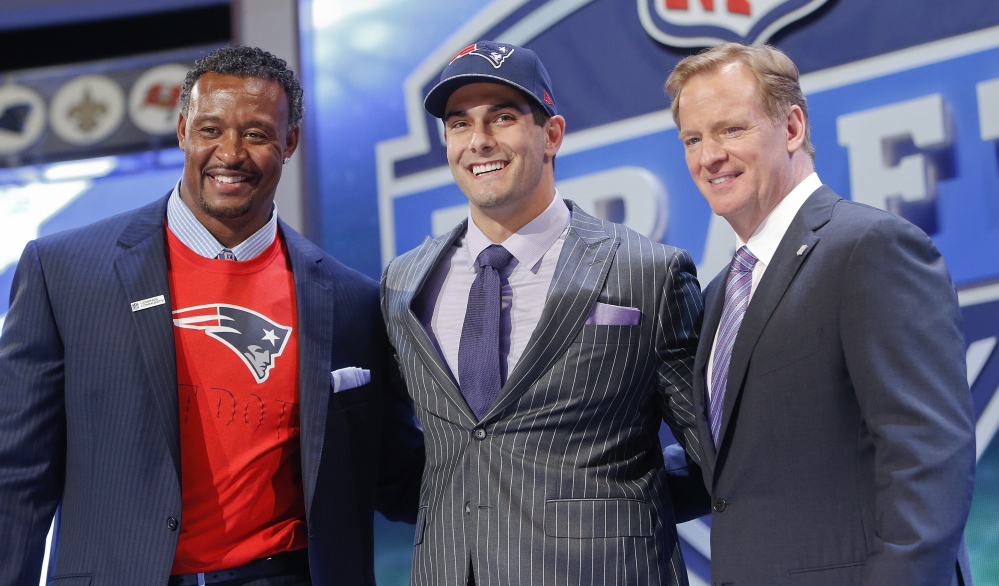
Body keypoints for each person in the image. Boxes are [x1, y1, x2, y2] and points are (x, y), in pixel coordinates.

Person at [0, 45, 423, 586]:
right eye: (210, 130)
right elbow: (17, 475)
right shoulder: (65, 271)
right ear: (182, 131)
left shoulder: (351, 300)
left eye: (256, 134)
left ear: (289, 141)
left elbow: (393, 472)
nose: (231, 153)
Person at [381, 40, 706, 586]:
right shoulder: (404, 282)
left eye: (503, 117)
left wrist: (607, 509)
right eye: (459, 124)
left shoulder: (648, 273)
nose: (479, 141)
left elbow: (713, 452)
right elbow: (396, 458)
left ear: (551, 133)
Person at [665, 42, 975, 585]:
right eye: (693, 138)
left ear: (792, 127)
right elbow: (733, 472)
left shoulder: (869, 247)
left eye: (730, 130)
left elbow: (926, 458)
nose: (708, 155)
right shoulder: (719, 293)